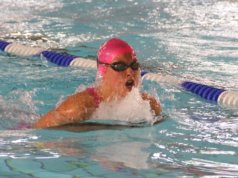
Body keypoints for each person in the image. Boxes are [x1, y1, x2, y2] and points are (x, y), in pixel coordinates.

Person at [33, 38, 162, 129]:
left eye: (134, 65)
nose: (130, 72)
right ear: (103, 70)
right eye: (119, 66)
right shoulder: (79, 108)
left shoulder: (149, 105)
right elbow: (38, 131)